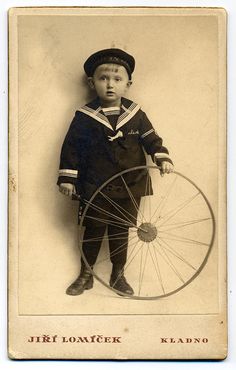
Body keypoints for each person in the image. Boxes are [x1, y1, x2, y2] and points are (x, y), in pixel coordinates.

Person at [57, 48, 174, 296]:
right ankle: (86, 275)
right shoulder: (85, 117)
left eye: (117, 79)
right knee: (94, 229)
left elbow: (152, 139)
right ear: (92, 83)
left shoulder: (136, 115)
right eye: (103, 78)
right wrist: (68, 178)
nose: (110, 85)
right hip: (95, 185)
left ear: (128, 84)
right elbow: (71, 148)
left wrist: (161, 157)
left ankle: (118, 275)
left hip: (131, 184)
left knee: (121, 230)